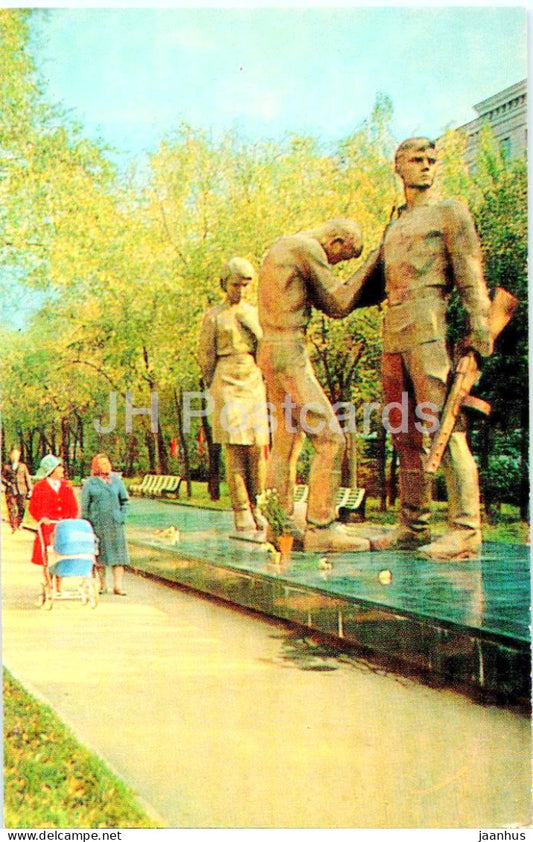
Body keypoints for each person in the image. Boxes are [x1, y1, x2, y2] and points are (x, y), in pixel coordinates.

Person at [353, 137, 493, 560]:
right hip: (393, 328)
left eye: (432, 160)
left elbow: (470, 273)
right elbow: (363, 287)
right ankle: (413, 524)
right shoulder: (394, 224)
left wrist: (480, 328)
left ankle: (465, 529)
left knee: (444, 427)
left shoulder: (450, 212)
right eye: (417, 160)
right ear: (398, 167)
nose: (427, 166)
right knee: (403, 432)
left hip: (429, 323)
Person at [257, 219, 378, 552]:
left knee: (286, 442)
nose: (336, 265)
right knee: (330, 439)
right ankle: (321, 527)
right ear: (336, 240)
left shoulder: (283, 245)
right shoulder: (307, 248)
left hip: (270, 349)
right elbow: (337, 304)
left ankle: (278, 526)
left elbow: (328, 299)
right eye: (342, 258)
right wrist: (373, 265)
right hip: (288, 350)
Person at [199, 257, 269, 533]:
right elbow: (206, 355)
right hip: (226, 377)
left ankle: (261, 505)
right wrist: (213, 385)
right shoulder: (214, 316)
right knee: (235, 446)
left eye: (245, 285)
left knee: (257, 446)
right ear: (224, 284)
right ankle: (241, 508)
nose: (240, 290)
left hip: (252, 376)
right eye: (235, 284)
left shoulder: (255, 313)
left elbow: (268, 348)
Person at [81, 453, 130, 595]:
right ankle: (102, 585)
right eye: (102, 463)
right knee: (100, 556)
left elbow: (125, 501)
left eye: (107, 462)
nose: (106, 465)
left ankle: (118, 586)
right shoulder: (90, 483)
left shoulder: (116, 481)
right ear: (96, 467)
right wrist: (88, 523)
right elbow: (85, 506)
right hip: (98, 525)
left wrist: (121, 516)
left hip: (115, 523)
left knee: (118, 556)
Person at [29, 454, 79, 591]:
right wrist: (42, 517)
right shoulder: (40, 487)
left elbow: (73, 507)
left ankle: (59, 584)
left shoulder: (66, 486)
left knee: (60, 555)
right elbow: (33, 507)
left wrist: (70, 519)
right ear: (52, 470)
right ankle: (48, 583)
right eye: (59, 467)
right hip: (47, 527)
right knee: (47, 556)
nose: (62, 470)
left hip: (62, 526)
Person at [2, 448, 33, 532]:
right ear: (11, 456)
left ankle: (19, 522)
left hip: (22, 489)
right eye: (13, 455)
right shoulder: (6, 466)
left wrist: (30, 489)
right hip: (11, 490)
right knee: (12, 508)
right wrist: (7, 483)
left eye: (17, 455)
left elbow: (27, 478)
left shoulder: (23, 466)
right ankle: (14, 526)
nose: (15, 457)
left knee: (22, 507)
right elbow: (2, 477)